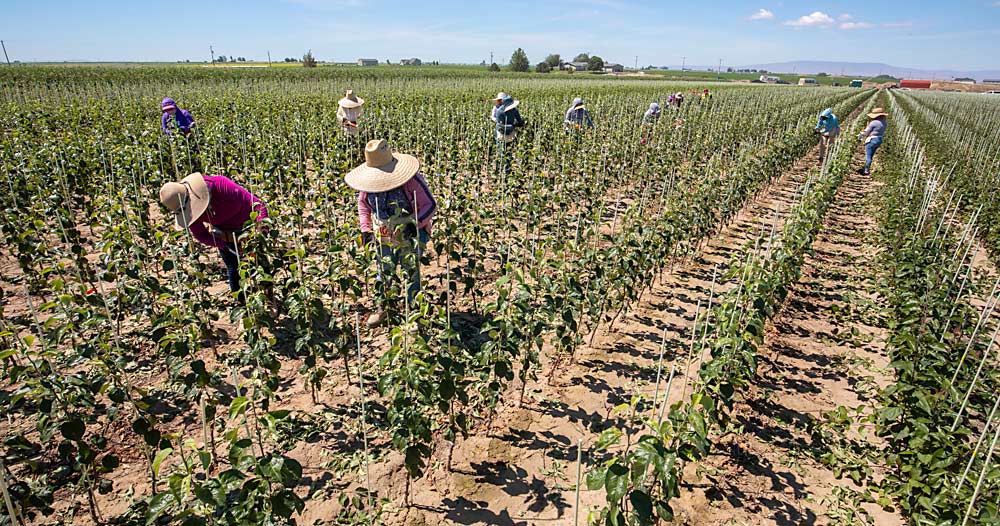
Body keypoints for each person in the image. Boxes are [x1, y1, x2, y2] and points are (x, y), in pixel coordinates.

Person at [346, 139, 437, 327]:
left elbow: (430, 204)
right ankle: (383, 307)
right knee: (384, 269)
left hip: (409, 231)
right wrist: (365, 229)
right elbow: (363, 205)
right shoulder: (368, 185)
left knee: (410, 270)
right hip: (383, 232)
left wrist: (415, 224)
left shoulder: (411, 180)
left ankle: (415, 312)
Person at [159, 173, 269, 300]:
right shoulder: (190, 212)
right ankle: (244, 305)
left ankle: (269, 297)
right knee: (234, 271)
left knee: (261, 266)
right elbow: (200, 234)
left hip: (249, 229)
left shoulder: (221, 186)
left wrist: (262, 230)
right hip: (226, 235)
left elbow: (257, 204)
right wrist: (222, 245)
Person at [857, 107, 888, 175]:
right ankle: (866, 168)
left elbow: (866, 132)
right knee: (871, 155)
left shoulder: (873, 123)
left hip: (872, 139)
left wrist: (860, 134)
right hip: (879, 139)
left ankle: (866, 170)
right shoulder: (884, 122)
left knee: (868, 156)